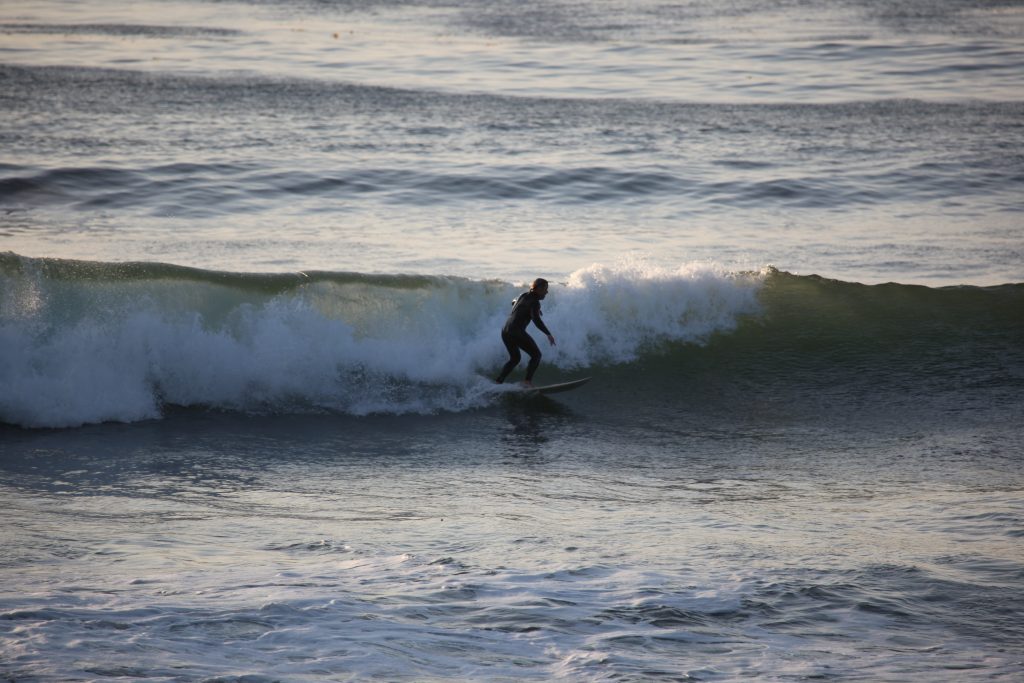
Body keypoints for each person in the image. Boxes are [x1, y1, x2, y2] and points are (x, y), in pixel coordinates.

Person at [496, 278, 556, 387]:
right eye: (545, 289)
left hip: (505, 331)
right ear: (538, 289)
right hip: (516, 332)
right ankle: (527, 382)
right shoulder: (535, 303)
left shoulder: (523, 295)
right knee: (536, 355)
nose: (547, 292)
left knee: (515, 359)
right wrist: (548, 334)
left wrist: (532, 309)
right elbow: (536, 320)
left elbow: (513, 301)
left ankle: (498, 382)